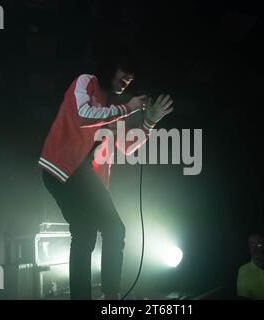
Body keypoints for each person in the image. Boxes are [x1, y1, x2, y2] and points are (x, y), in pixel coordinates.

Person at [38, 48, 174, 299]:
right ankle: (111, 296)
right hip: (63, 167)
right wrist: (129, 108)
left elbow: (127, 146)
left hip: (75, 174)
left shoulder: (113, 105)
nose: (127, 81)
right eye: (124, 74)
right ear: (111, 67)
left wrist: (150, 123)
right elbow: (82, 115)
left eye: (131, 79)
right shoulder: (85, 81)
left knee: (85, 234)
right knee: (113, 229)